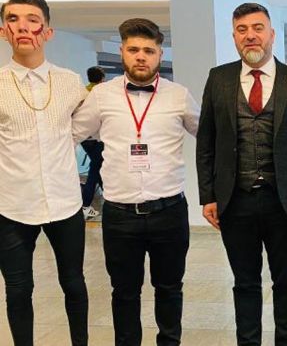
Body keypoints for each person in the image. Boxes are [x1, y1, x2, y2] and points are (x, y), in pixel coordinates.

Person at [73, 18, 199, 346]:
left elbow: (209, 136)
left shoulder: (179, 96)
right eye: (133, 50)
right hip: (120, 215)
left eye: (148, 50)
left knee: (170, 289)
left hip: (169, 212)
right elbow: (70, 135)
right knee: (124, 292)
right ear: (122, 52)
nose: (141, 56)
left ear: (159, 55)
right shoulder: (102, 96)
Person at [196, 2, 287, 345]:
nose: (250, 36)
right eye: (242, 30)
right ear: (234, 37)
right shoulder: (218, 79)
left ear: (271, 34)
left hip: (285, 202)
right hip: (236, 201)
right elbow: (206, 141)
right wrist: (208, 195)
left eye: (257, 28)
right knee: (245, 283)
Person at [0, 0, 89, 345]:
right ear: (3, 31)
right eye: (13, 19)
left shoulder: (70, 82)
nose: (23, 27)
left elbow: (88, 125)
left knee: (74, 283)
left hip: (65, 202)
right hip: (12, 206)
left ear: (48, 32)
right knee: (18, 289)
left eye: (33, 20)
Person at [80, 65, 106, 218]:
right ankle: (85, 205)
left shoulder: (83, 92)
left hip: (84, 138)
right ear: (102, 78)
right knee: (95, 169)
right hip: (97, 138)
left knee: (99, 166)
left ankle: (109, 197)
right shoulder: (101, 93)